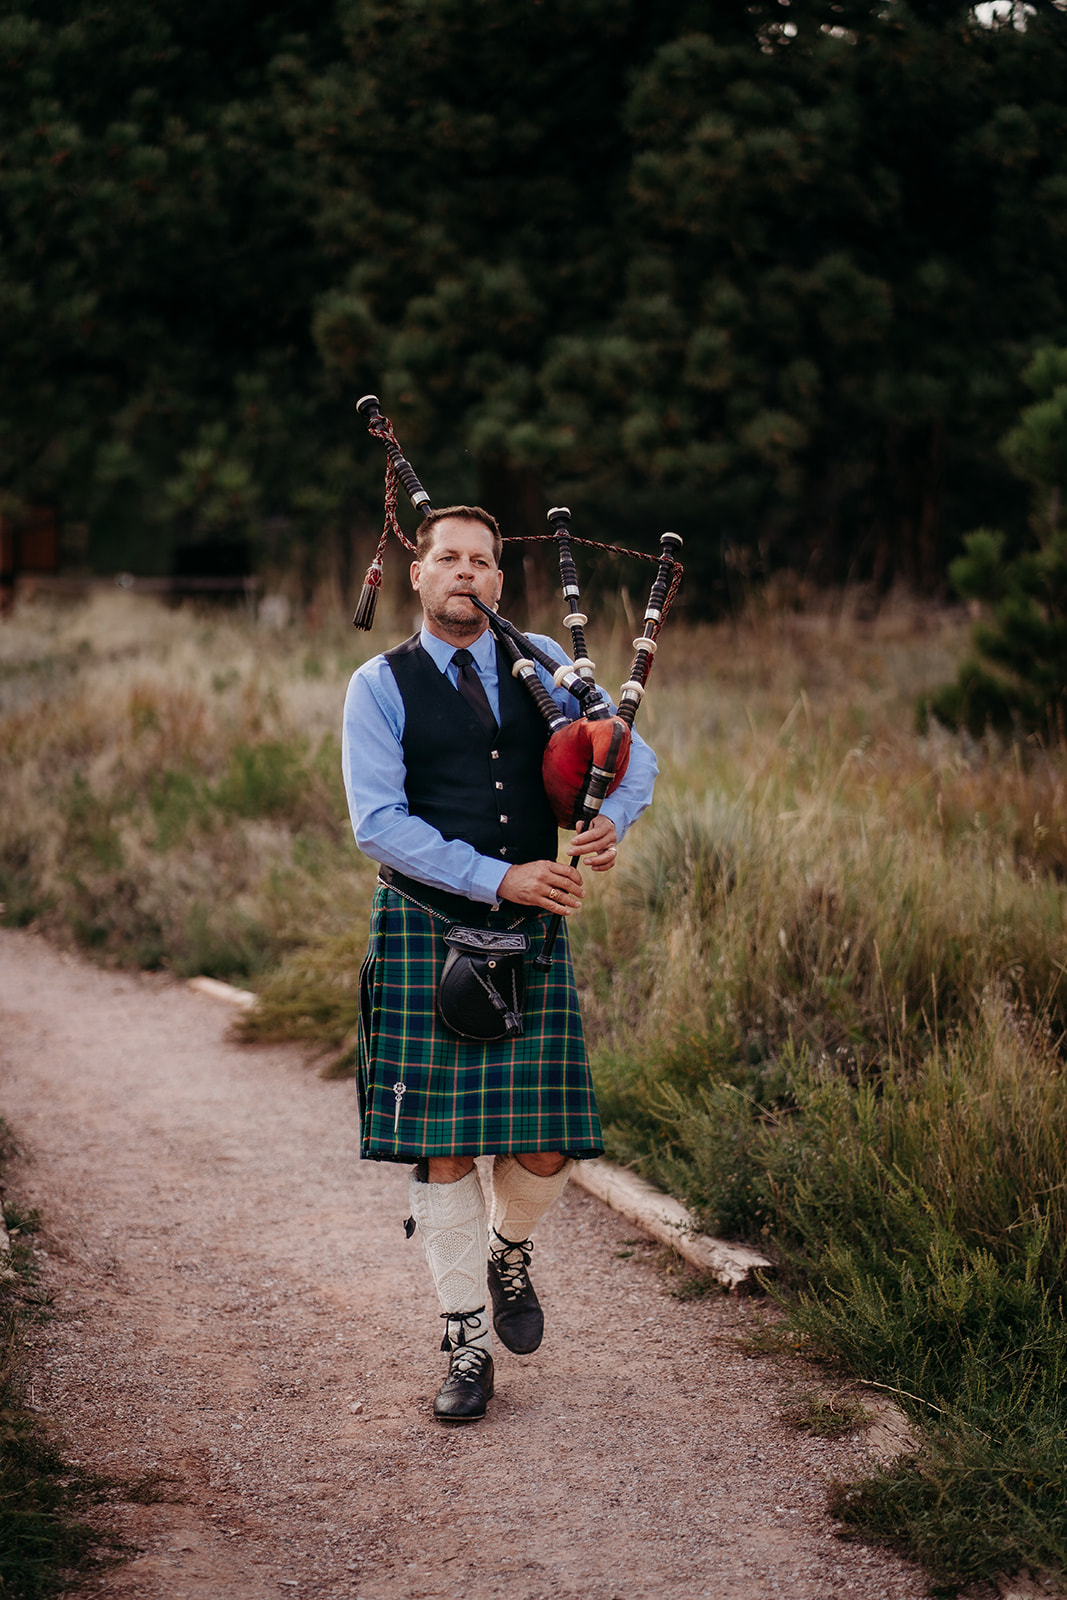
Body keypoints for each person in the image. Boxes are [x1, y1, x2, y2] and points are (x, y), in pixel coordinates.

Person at [341, 505, 657, 1423]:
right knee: (442, 1151)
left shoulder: (547, 673)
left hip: (532, 940)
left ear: (498, 579)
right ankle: (465, 1341)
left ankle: (505, 1249)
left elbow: (634, 762)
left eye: (481, 561)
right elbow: (377, 823)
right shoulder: (380, 684)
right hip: (424, 925)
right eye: (448, 558)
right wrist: (498, 877)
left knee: (545, 1141)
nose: (464, 574)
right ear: (419, 573)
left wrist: (610, 819)